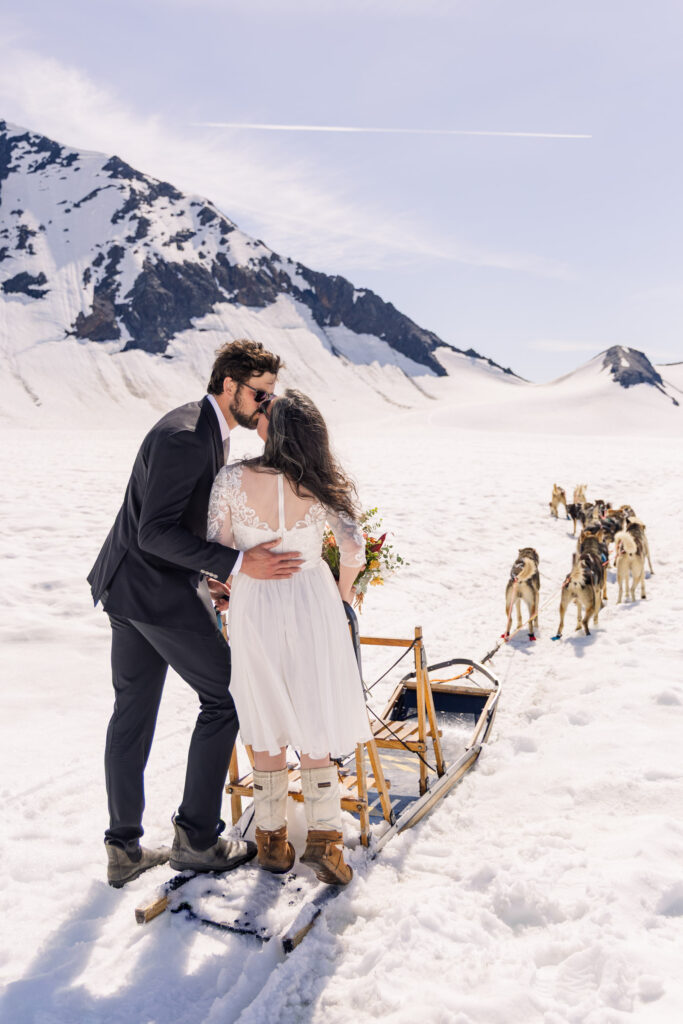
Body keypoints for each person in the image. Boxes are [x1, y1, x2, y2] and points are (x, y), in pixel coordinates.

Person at [88, 339, 303, 888]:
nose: (266, 404)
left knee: (132, 714)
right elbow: (154, 532)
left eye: (270, 395)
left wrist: (210, 575)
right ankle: (197, 839)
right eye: (260, 393)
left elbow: (168, 525)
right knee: (227, 695)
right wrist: (238, 563)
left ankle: (123, 849)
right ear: (230, 385)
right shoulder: (187, 435)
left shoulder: (202, 428)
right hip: (154, 593)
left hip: (129, 589)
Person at [207, 389, 372, 885]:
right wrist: (342, 596)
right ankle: (324, 840)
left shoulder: (231, 479)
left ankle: (272, 842)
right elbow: (355, 547)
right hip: (312, 600)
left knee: (265, 714)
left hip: (255, 603)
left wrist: (231, 586)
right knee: (314, 709)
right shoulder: (318, 480)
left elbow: (217, 549)